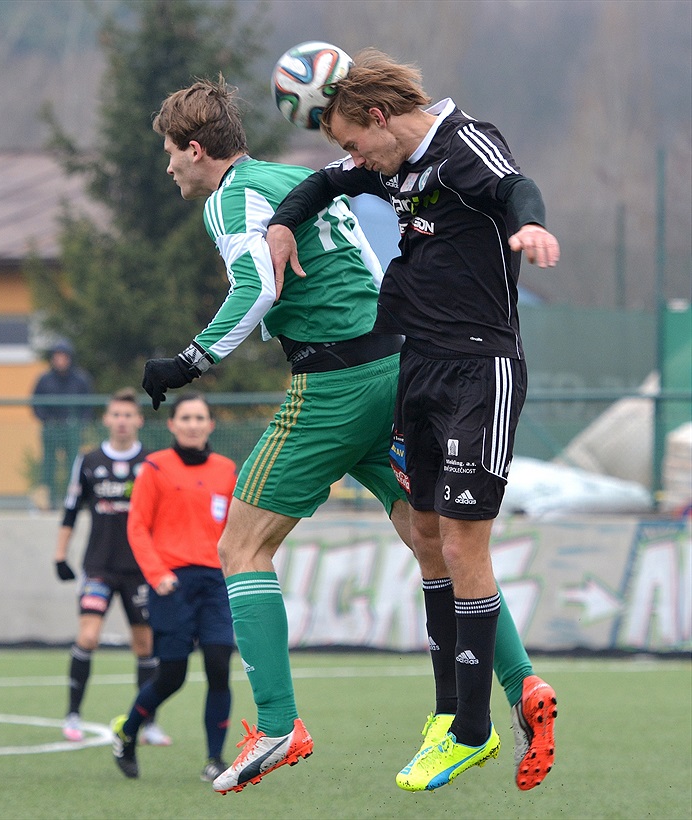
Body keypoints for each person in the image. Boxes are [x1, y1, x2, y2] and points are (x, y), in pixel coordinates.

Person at [142, 76, 556, 796]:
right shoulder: (290, 176)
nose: (167, 168)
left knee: (241, 546)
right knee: (441, 541)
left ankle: (276, 725)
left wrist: (188, 360)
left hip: (333, 385)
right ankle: (523, 684)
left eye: (170, 153)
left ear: (196, 148)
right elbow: (372, 261)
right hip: (397, 365)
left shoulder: (231, 197)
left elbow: (258, 287)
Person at [266, 48, 560, 794]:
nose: (350, 157)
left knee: (462, 540)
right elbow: (324, 184)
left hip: (478, 373)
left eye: (350, 139)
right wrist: (281, 224)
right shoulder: (386, 164)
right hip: (416, 369)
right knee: (426, 533)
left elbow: (516, 185)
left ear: (378, 117)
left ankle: (472, 729)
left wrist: (531, 228)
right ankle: (446, 716)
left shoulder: (463, 145)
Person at [111, 392, 237, 782]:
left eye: (200, 418)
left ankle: (215, 761)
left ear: (210, 425)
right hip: (171, 584)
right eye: (186, 417)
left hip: (216, 583)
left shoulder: (227, 469)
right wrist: (157, 573)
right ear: (172, 424)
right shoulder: (154, 468)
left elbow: (237, 528)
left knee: (219, 666)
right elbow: (137, 527)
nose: (193, 424)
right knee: (172, 675)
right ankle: (127, 731)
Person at [54, 387, 169, 747]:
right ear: (107, 419)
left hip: (139, 569)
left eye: (128, 415)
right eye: (115, 415)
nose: (121, 421)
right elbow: (71, 511)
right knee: (88, 636)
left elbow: (164, 518)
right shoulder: (88, 461)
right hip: (99, 566)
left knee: (144, 644)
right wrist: (60, 556)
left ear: (138, 420)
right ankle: (72, 715)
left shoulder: (152, 462)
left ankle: (147, 723)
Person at [32, 340, 94, 509]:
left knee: (74, 465)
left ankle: (73, 500)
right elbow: (36, 403)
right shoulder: (44, 380)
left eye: (64, 357)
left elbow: (88, 405)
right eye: (57, 357)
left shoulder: (81, 379)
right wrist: (45, 419)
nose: (60, 360)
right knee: (48, 465)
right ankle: (48, 501)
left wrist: (80, 423)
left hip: (72, 430)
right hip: (51, 429)